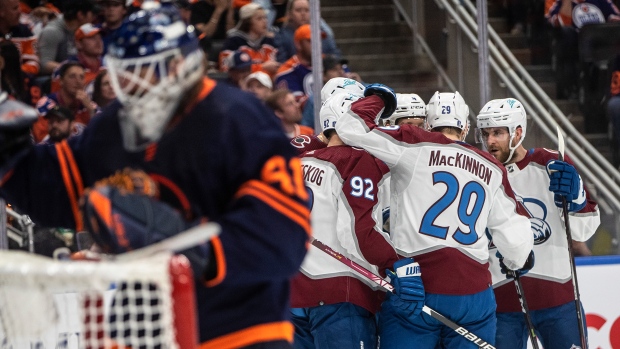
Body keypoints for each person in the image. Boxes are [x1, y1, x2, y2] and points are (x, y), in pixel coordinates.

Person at [0, 3, 309, 349]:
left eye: (140, 71)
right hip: (144, 330)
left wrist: (185, 245)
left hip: (239, 331)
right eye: (122, 73)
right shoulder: (115, 125)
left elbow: (284, 236)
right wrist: (12, 160)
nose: (128, 86)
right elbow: (59, 188)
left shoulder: (240, 121)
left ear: (178, 67)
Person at [335, 87, 534, 348]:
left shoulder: (414, 142)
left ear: (428, 124)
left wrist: (379, 98)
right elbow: (517, 242)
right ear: (464, 129)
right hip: (474, 296)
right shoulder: (492, 167)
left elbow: (350, 126)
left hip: (416, 287)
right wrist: (517, 260)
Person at [291, 92, 424, 349]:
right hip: (340, 296)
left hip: (291, 297)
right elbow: (355, 230)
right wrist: (395, 263)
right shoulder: (356, 159)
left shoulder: (296, 163)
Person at [476, 97, 600, 348]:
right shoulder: (478, 171)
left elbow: (582, 231)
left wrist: (576, 198)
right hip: (500, 306)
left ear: (518, 132)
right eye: (486, 133)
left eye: (498, 133)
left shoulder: (551, 164)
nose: (490, 141)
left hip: (559, 302)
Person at [33, 61, 96, 142]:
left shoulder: (88, 105)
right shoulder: (45, 104)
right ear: (61, 81)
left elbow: (103, 136)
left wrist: (91, 111)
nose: (78, 81)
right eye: (72, 76)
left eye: (81, 77)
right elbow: (42, 139)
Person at [219, 3, 279, 76]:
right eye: (259, 18)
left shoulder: (269, 41)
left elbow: (277, 66)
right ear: (248, 22)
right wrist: (262, 67)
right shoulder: (233, 42)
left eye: (265, 17)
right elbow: (226, 69)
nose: (265, 21)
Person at [37, 0, 97, 74]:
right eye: (92, 14)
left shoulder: (79, 29)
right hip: (54, 79)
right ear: (80, 15)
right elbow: (44, 64)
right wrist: (73, 70)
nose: (94, 18)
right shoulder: (53, 31)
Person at [274, 0, 340, 63]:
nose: (303, 14)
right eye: (298, 10)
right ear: (290, 14)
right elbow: (282, 61)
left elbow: (335, 55)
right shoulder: (281, 37)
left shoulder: (322, 33)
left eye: (307, 10)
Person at [274, 24, 316, 99]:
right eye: (310, 41)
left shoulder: (327, 63)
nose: (317, 45)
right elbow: (296, 105)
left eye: (319, 40)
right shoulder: (287, 71)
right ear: (298, 44)